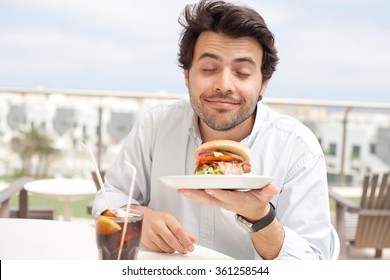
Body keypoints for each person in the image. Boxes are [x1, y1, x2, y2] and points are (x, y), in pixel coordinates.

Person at [93, 0, 332, 260]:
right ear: (187, 75)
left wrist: (260, 217)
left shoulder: (296, 147)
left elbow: (314, 262)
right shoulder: (156, 125)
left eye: (242, 72)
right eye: (209, 69)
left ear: (263, 83)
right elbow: (110, 195)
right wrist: (138, 217)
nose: (224, 85)